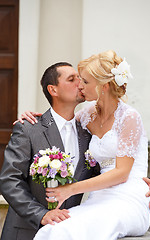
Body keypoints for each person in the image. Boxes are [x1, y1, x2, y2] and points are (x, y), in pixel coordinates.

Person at [31, 50, 150, 240]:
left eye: (85, 81)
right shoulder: (87, 116)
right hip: (99, 199)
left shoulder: (129, 117)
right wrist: (34, 119)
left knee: (79, 230)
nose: (80, 85)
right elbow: (61, 122)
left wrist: (70, 189)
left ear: (103, 86)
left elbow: (122, 173)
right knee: (54, 229)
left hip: (129, 199)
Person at [0, 62, 99, 240]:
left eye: (80, 77)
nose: (80, 82)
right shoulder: (29, 128)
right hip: (26, 233)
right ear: (53, 90)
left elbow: (107, 171)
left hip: (68, 232)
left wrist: (144, 181)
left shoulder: (89, 134)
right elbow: (9, 179)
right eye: (72, 79)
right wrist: (41, 215)